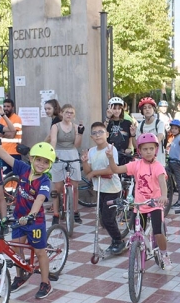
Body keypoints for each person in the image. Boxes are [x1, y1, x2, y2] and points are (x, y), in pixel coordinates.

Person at [0, 137, 56, 299]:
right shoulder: (23, 169)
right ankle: (21, 276)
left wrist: (31, 215)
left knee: (39, 251)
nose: (41, 164)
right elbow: (4, 154)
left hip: (34, 221)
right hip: (18, 218)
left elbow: (40, 199)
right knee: (16, 249)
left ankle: (46, 282)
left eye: (45, 162)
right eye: (39, 160)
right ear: (31, 159)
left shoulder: (44, 180)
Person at [107, 133, 170, 267]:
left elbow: (162, 181)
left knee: (158, 232)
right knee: (136, 233)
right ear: (139, 151)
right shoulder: (136, 165)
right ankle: (135, 265)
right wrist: (111, 158)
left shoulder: (158, 166)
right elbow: (116, 169)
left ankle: (164, 254)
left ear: (156, 150)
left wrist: (164, 195)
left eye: (151, 149)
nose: (148, 152)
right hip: (139, 205)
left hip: (155, 204)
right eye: (145, 149)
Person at [82, 122, 125, 255]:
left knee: (107, 219)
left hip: (112, 189)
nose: (98, 135)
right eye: (94, 133)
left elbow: (111, 170)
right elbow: (87, 172)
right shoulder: (91, 151)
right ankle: (115, 239)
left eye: (101, 132)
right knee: (104, 219)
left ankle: (118, 241)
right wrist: (84, 162)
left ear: (107, 134)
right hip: (100, 189)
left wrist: (94, 173)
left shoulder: (111, 149)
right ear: (91, 137)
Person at [49, 104, 84, 225]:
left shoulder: (75, 127)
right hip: (58, 153)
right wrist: (53, 154)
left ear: (74, 115)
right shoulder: (56, 126)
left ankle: (75, 211)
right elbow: (53, 141)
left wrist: (80, 133)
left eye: (71, 113)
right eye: (67, 112)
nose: (69, 114)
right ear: (62, 113)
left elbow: (77, 144)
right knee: (57, 187)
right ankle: (56, 213)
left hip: (72, 154)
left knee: (74, 185)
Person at [133, 97, 166, 166]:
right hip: (145, 163)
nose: (147, 109)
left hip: (158, 162)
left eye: (149, 107)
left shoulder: (159, 123)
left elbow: (160, 136)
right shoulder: (140, 126)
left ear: (153, 109)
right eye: (145, 108)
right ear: (142, 111)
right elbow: (136, 146)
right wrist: (133, 135)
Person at [105, 96, 134, 165]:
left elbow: (130, 137)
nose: (117, 111)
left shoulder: (127, 122)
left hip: (124, 153)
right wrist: (108, 118)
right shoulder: (107, 122)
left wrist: (129, 148)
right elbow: (102, 131)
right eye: (114, 108)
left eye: (119, 108)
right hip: (110, 153)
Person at [0, 98, 23, 168]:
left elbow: (12, 135)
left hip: (14, 152)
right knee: (5, 176)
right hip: (3, 152)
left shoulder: (16, 118)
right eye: (4, 106)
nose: (6, 108)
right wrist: (7, 133)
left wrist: (3, 134)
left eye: (8, 106)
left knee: (14, 176)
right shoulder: (1, 119)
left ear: (12, 108)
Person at [167, 120, 180, 208]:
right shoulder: (174, 138)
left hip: (176, 162)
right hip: (170, 161)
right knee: (167, 175)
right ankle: (171, 192)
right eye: (172, 128)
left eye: (176, 129)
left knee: (179, 181)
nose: (173, 130)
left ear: (179, 130)